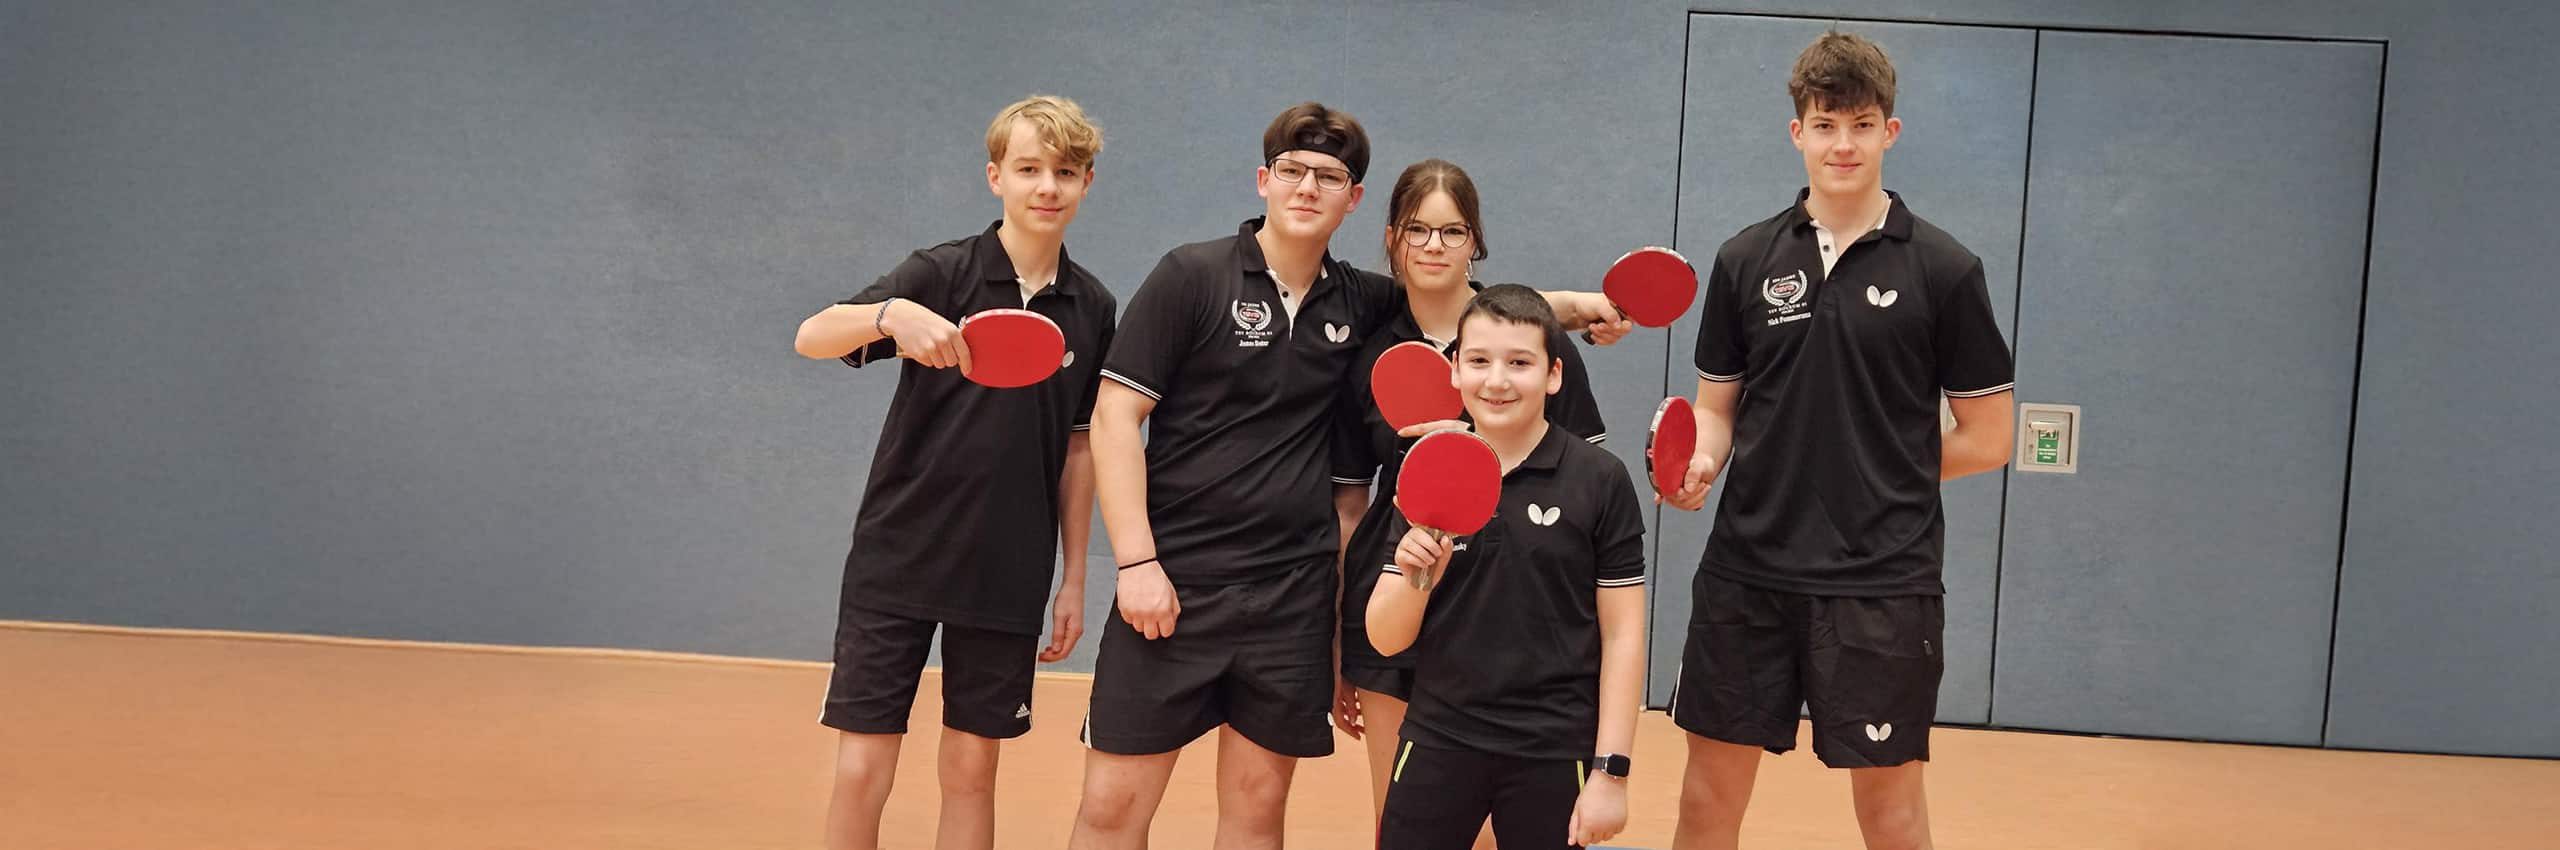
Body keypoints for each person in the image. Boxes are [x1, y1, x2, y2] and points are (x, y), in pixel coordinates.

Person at [1069, 102, 1629, 849]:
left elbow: (1466, 312)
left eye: (1328, 176)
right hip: (1174, 581)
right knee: (1110, 809)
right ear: (1263, 180)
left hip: (1288, 597)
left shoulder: (1359, 299)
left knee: (1258, 807)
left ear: (1353, 199)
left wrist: (1571, 307)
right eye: (1293, 171)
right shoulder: (1190, 276)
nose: (1308, 187)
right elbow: (1112, 419)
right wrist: (1135, 559)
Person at [1660, 31, 2016, 850]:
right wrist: (1703, 458)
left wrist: (1878, 477)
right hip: (1747, 572)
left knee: (1889, 814)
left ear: (1890, 132)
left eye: (1861, 125)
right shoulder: (1746, 259)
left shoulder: (1946, 270)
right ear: (1798, 134)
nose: (1843, 144)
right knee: (1708, 801)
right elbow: (1717, 407)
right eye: (1825, 125)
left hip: (1883, 582)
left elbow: (1989, 437)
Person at [789, 94, 1115, 850]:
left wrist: (1073, 577)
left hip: (1007, 570)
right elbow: (810, 336)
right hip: (898, 557)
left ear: (1087, 184)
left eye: (1065, 172)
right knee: (863, 769)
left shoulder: (1093, 308)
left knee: (972, 773)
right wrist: (888, 317)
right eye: (1029, 169)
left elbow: (1079, 449)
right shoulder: (938, 272)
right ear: (995, 175)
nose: (1047, 187)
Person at [1328, 159, 1608, 847]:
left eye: (1451, 231)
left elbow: (1583, 482)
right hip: (1396, 597)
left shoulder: (1525, 341)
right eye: (1417, 229)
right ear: (1392, 237)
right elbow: (1349, 507)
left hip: (1506, 617)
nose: (1433, 245)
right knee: (1399, 821)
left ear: (1474, 240)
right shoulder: (1366, 351)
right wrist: (1341, 637)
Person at [1365, 284, 1649, 850]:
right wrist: (1416, 575)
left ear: (1554, 376)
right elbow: (1386, 640)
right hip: (1439, 737)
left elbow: (1623, 635)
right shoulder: (1430, 468)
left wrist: (1610, 772)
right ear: (1454, 371)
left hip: (1553, 748)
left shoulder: (1600, 479)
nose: (1496, 380)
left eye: (1519, 363)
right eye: (1478, 361)